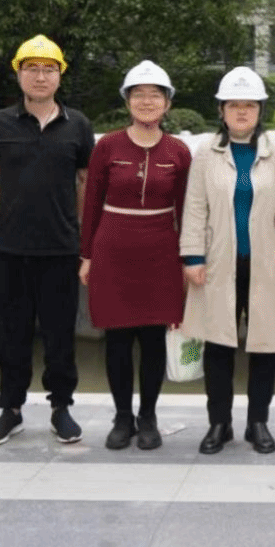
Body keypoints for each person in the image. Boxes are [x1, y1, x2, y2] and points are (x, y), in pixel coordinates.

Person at [0, 35, 93, 446]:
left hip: (61, 249)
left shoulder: (78, 125)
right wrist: (3, 218)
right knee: (12, 334)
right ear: (19, 73)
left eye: (49, 69)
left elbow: (85, 181)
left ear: (60, 76)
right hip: (10, 250)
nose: (40, 77)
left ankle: (61, 407)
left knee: (60, 334)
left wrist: (74, 225)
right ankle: (11, 409)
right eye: (32, 69)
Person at [181, 67, 275, 455]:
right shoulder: (207, 153)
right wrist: (193, 255)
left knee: (265, 344)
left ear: (260, 109)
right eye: (233, 104)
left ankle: (257, 422)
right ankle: (219, 423)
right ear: (221, 110)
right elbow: (195, 206)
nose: (241, 111)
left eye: (249, 104)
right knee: (218, 343)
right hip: (218, 263)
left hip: (266, 262)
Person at [80, 60, 192, 451]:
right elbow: (91, 202)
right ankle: (122, 417)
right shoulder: (108, 146)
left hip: (161, 250)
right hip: (113, 247)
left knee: (153, 338)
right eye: (138, 94)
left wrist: (189, 258)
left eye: (155, 95)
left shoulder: (178, 151)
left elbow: (187, 210)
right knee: (117, 338)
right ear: (127, 101)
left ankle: (148, 416)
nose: (146, 101)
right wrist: (86, 254)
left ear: (167, 103)